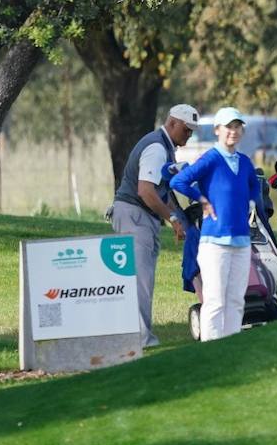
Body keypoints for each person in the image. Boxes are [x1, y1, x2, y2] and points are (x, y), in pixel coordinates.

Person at [170, 107, 263, 342]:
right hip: (215, 243)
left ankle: (230, 348)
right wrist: (201, 199)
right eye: (228, 127)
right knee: (215, 300)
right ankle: (211, 350)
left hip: (241, 242)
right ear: (217, 130)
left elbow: (255, 186)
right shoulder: (211, 158)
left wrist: (251, 203)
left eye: (237, 126)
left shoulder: (244, 161)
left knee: (235, 300)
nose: (233, 131)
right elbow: (179, 180)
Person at [110, 104, 199, 347]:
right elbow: (146, 191)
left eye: (192, 131)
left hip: (138, 216)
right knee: (140, 280)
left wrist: (176, 218)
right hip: (135, 215)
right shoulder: (157, 148)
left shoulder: (165, 147)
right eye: (186, 129)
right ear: (172, 123)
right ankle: (141, 340)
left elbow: (163, 191)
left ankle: (136, 336)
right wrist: (171, 218)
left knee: (142, 279)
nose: (189, 135)